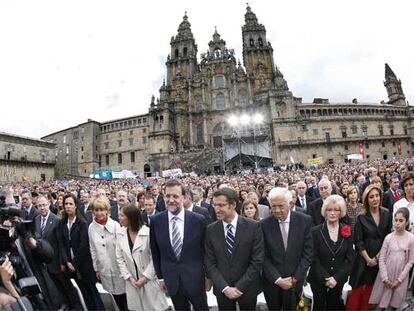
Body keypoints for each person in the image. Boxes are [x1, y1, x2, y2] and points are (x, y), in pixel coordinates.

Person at [149, 179, 209, 311]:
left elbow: (206, 251)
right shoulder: (156, 221)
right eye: (167, 196)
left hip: (195, 279)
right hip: (172, 280)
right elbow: (155, 252)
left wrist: (208, 276)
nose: (171, 200)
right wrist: (161, 278)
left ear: (184, 197)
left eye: (175, 196)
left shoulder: (198, 220)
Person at [204, 187, 264, 310]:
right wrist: (225, 288)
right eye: (215, 205)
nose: (217, 209)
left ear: (233, 205)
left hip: (248, 288)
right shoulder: (211, 230)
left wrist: (239, 287)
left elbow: (257, 260)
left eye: (221, 205)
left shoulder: (253, 227)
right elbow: (210, 262)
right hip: (223, 289)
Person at [261, 187, 313, 310]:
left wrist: (295, 278)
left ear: (290, 203)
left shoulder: (304, 220)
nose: (277, 210)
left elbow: (308, 253)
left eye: (280, 206)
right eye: (273, 206)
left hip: (295, 281)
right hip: (272, 283)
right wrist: (277, 279)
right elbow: (262, 256)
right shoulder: (263, 225)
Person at [347, 184, 392, 311]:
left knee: (371, 292)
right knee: (357, 291)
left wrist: (377, 259)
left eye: (377, 195)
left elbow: (387, 238)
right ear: (366, 199)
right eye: (371, 197)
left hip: (380, 258)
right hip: (363, 259)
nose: (375, 199)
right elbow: (358, 241)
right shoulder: (361, 217)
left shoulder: (387, 213)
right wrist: (368, 259)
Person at [116, 204, 168, 311]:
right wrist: (128, 277)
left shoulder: (148, 233)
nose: (119, 218)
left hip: (149, 281)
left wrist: (145, 278)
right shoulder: (120, 233)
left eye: (122, 215)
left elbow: (155, 258)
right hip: (132, 282)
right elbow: (119, 258)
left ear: (130, 217)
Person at [308, 195, 355, 310]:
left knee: (333, 306)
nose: (333, 213)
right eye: (329, 210)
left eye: (336, 210)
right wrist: (326, 278)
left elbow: (350, 258)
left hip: (338, 280)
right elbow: (313, 258)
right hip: (318, 279)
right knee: (319, 306)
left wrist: (336, 278)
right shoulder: (315, 231)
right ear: (325, 211)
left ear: (341, 212)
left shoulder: (347, 230)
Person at [58, 193, 104, 310]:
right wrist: (67, 261)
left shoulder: (82, 223)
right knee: (83, 293)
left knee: (92, 292)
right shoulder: (62, 223)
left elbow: (83, 246)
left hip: (84, 264)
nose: (68, 206)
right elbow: (62, 244)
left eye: (70, 204)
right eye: (66, 204)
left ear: (76, 206)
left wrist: (74, 263)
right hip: (71, 265)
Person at [34, 194, 81, 310]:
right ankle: (65, 304)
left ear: (49, 204)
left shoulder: (56, 220)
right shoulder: (36, 220)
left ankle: (76, 306)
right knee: (56, 286)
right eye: (39, 206)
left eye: (44, 205)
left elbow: (61, 243)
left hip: (56, 262)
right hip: (44, 263)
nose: (42, 208)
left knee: (66, 285)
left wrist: (62, 262)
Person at [369, 207, 414, 310]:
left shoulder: (411, 238)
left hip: (399, 278)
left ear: (407, 222)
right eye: (396, 220)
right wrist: (384, 278)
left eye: (401, 220)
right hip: (386, 276)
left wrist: (399, 280)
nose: (397, 223)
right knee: (380, 305)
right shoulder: (388, 237)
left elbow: (410, 261)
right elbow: (382, 258)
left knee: (391, 305)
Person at [88, 196, 127, 310]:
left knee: (125, 297)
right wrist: (96, 269)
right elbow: (93, 249)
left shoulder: (115, 225)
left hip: (118, 268)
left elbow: (122, 248)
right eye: (96, 210)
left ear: (107, 210)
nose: (99, 213)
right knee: (112, 299)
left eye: (102, 210)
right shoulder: (91, 227)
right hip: (103, 268)